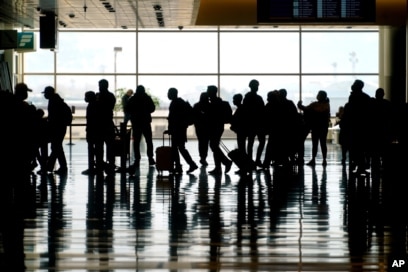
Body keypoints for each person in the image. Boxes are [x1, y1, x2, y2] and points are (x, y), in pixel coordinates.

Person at [341, 79, 373, 174]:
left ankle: (357, 165)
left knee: (355, 147)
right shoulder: (366, 97)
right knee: (361, 148)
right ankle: (361, 166)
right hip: (362, 127)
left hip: (354, 127)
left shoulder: (353, 97)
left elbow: (350, 113)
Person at [166, 87, 198, 174]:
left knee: (177, 148)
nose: (167, 95)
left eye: (169, 93)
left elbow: (173, 118)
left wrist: (170, 129)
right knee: (179, 148)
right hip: (181, 128)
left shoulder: (175, 103)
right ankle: (185, 165)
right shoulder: (180, 102)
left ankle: (183, 165)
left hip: (177, 129)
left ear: (172, 94)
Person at [126, 85, 156, 172]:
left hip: (136, 122)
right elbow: (152, 108)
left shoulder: (132, 99)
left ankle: (137, 159)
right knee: (149, 140)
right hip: (146, 122)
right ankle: (150, 158)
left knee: (136, 142)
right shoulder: (147, 98)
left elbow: (127, 109)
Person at [297, 90, 331, 166]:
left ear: (321, 96)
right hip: (323, 127)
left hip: (315, 126)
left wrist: (299, 105)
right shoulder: (327, 104)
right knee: (323, 143)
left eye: (318, 94)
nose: (317, 95)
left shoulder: (315, 105)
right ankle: (324, 160)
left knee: (315, 143)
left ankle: (313, 160)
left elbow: (306, 109)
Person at [206, 85, 232, 175]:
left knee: (213, 146)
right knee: (215, 146)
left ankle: (225, 162)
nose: (207, 92)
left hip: (214, 127)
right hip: (218, 127)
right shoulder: (220, 103)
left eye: (208, 91)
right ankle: (218, 167)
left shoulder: (212, 104)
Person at [43, 86, 69, 174]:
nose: (45, 95)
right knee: (56, 147)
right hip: (60, 127)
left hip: (57, 128)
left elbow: (54, 116)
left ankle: (57, 167)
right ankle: (51, 167)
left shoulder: (54, 102)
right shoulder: (57, 100)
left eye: (45, 93)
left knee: (56, 147)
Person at [242, 79, 266, 167]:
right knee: (261, 141)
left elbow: (245, 111)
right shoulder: (258, 98)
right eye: (256, 86)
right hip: (258, 123)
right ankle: (257, 159)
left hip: (251, 123)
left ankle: (250, 160)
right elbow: (263, 111)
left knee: (250, 142)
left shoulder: (247, 98)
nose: (257, 87)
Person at [95, 79, 117, 174]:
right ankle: (111, 164)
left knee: (99, 146)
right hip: (108, 123)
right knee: (110, 146)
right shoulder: (111, 96)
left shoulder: (98, 96)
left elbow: (97, 108)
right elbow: (110, 108)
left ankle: (100, 164)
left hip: (100, 125)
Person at [82, 91, 99, 175]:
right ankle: (97, 167)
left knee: (91, 149)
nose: (85, 98)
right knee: (97, 149)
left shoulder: (91, 106)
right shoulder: (96, 105)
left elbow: (90, 120)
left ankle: (91, 167)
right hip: (96, 131)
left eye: (86, 96)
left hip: (92, 131)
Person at [193, 92, 210, 166]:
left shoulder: (196, 106)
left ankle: (202, 157)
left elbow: (194, 117)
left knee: (201, 142)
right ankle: (203, 157)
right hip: (207, 127)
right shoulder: (210, 106)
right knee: (205, 143)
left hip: (199, 127)